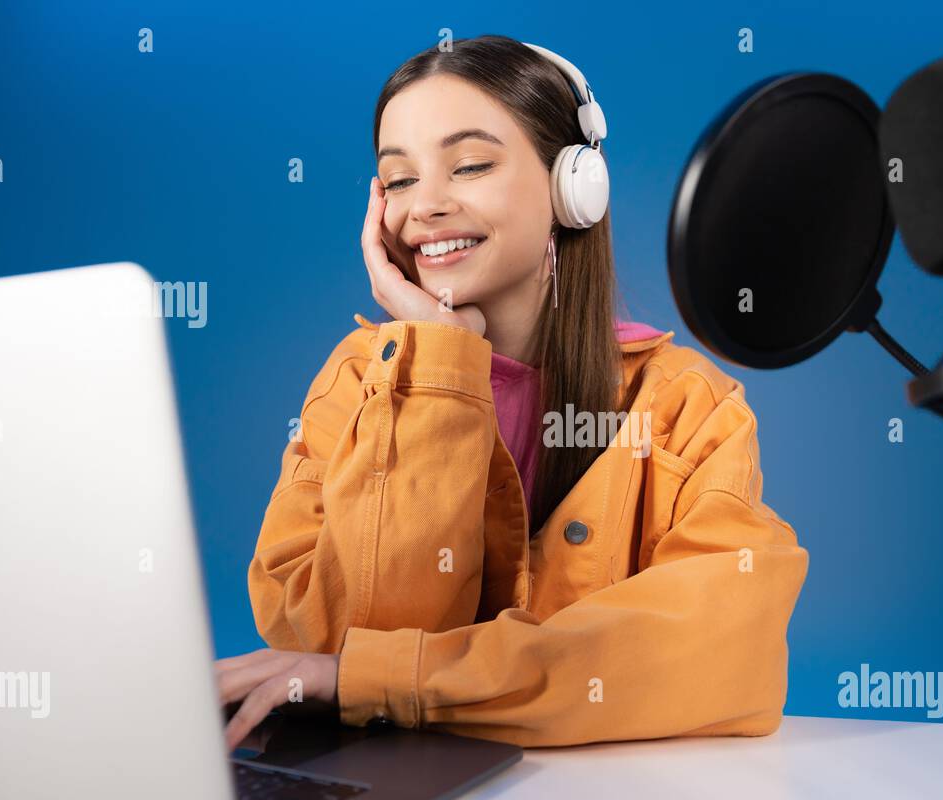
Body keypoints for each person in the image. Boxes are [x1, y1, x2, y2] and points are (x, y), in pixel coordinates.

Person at [216, 35, 808, 749]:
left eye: (468, 165)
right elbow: (349, 644)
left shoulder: (686, 408)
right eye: (398, 181)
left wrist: (394, 678)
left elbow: (724, 652)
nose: (426, 206)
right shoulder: (357, 383)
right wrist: (438, 363)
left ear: (575, 188)